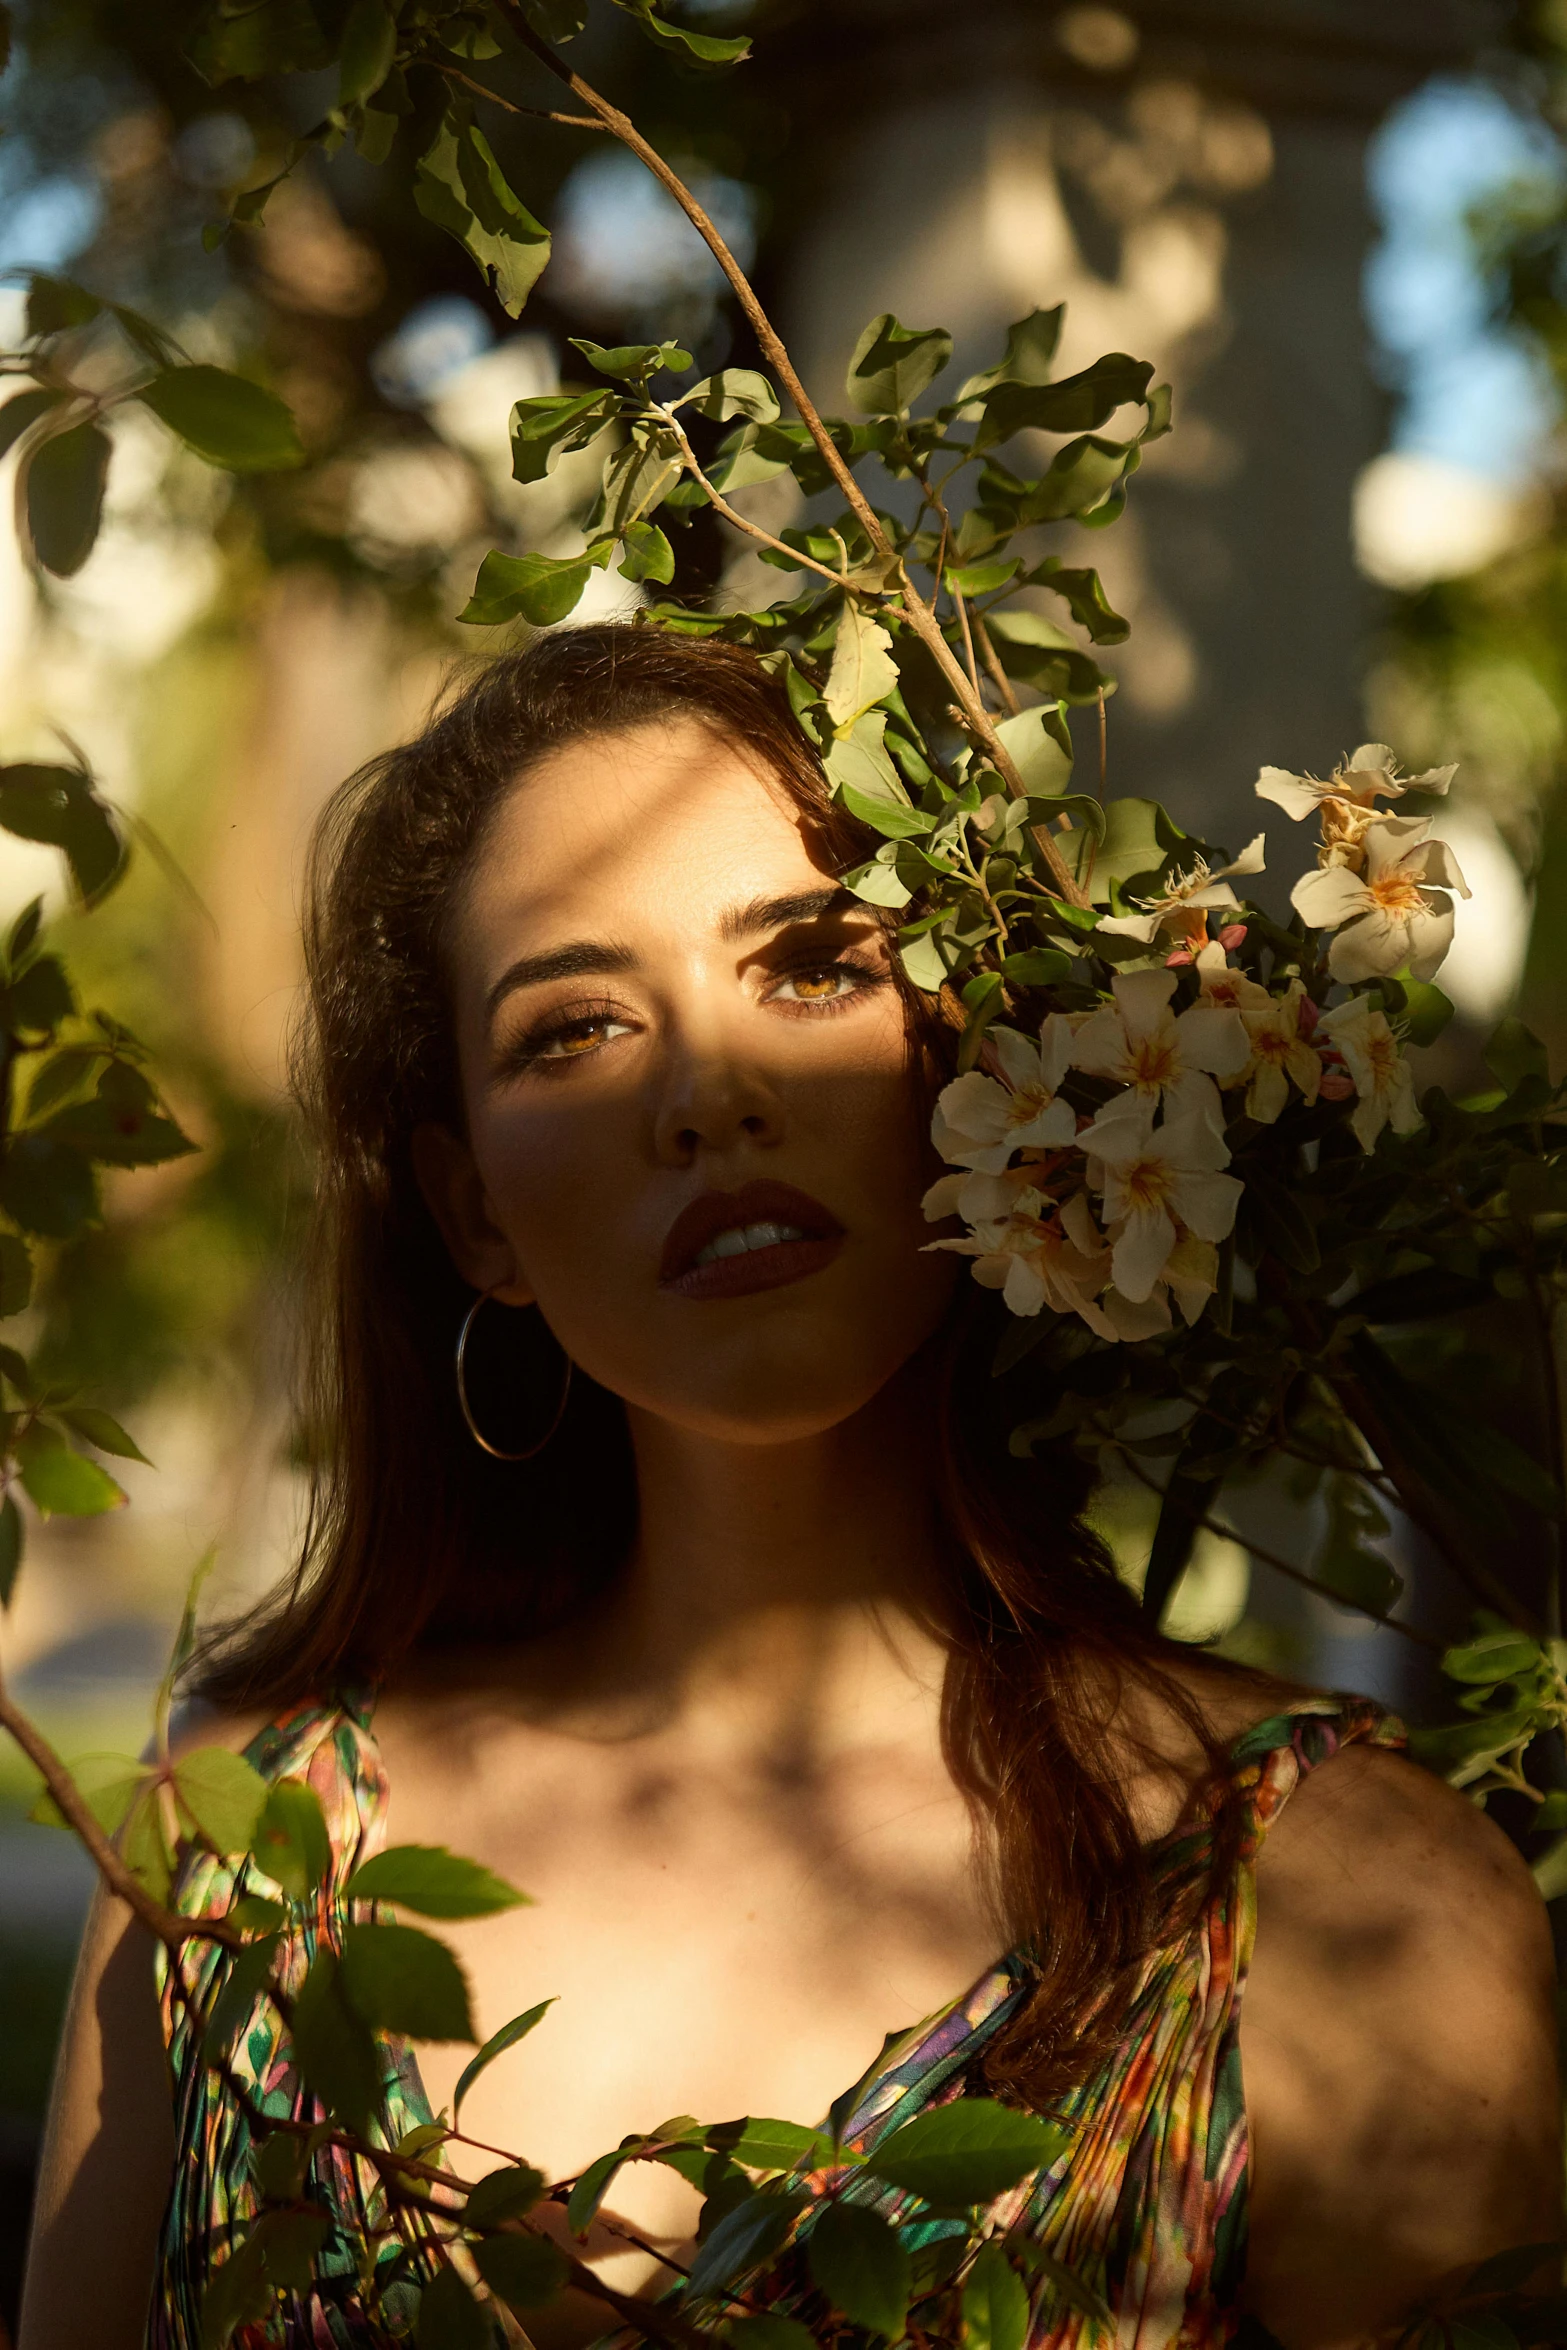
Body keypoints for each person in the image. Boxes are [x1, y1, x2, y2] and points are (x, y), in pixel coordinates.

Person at [19, 626, 1561, 2350]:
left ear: (985, 1067)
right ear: (473, 1217)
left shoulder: (1337, 1896)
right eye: (576, 1026)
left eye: (812, 965)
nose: (710, 1090)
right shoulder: (246, 1849)